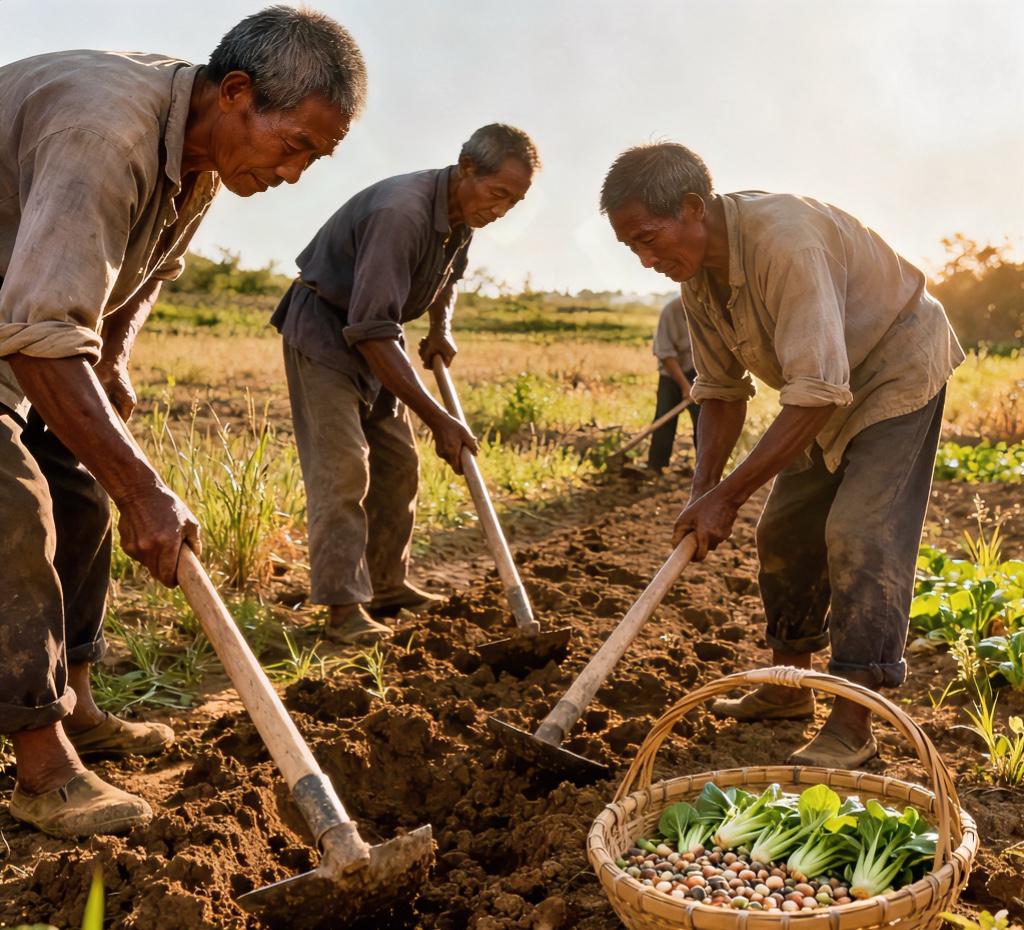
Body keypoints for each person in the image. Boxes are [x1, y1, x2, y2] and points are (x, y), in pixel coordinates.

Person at [0, 6, 367, 837]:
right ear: (235, 92)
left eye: (314, 158)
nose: (294, 173)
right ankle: (43, 767)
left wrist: (113, 356)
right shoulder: (105, 133)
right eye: (294, 145)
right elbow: (41, 330)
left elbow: (147, 271)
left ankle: (77, 702)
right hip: (19, 322)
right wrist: (145, 490)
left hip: (17, 314)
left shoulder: (197, 154)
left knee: (81, 491)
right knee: (12, 505)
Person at [601, 142, 963, 768]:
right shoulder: (697, 278)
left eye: (648, 239)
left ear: (693, 207)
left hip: (894, 370)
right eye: (631, 246)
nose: (645, 259)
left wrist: (729, 495)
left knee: (861, 532)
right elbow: (720, 391)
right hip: (822, 390)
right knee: (784, 530)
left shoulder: (786, 243)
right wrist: (703, 491)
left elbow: (818, 389)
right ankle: (789, 692)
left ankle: (853, 721)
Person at [271, 124, 539, 645]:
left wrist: (441, 329)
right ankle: (343, 609)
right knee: (343, 468)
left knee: (398, 464)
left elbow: (447, 277)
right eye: (499, 193)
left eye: (515, 200)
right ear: (467, 168)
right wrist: (439, 418)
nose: (503, 209)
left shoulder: (461, 216)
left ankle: (387, 585)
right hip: (327, 331)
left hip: (375, 337)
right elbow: (371, 329)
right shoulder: (403, 213)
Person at [648, 294, 700, 472]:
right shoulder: (670, 311)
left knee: (703, 420)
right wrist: (685, 387)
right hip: (670, 373)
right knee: (664, 417)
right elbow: (665, 355)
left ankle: (704, 469)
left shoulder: (707, 306)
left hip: (698, 372)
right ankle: (656, 465)